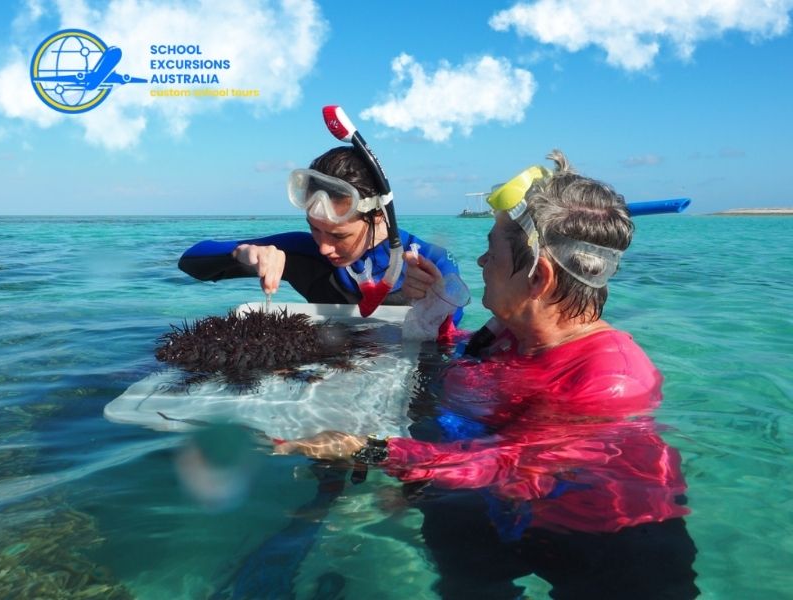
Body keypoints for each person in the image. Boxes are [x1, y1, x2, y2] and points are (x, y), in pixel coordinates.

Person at [276, 150, 699, 599]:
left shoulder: (610, 380)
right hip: (505, 510)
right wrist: (432, 310)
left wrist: (368, 449)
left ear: (539, 279)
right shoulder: (509, 335)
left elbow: (506, 465)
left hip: (612, 545)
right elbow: (459, 369)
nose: (480, 262)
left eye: (491, 251)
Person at [178, 146, 461, 316]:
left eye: (339, 236)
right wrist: (240, 255)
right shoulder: (307, 252)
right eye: (314, 229)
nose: (323, 247)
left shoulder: (429, 262)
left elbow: (452, 331)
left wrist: (433, 305)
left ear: (378, 217)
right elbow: (191, 262)